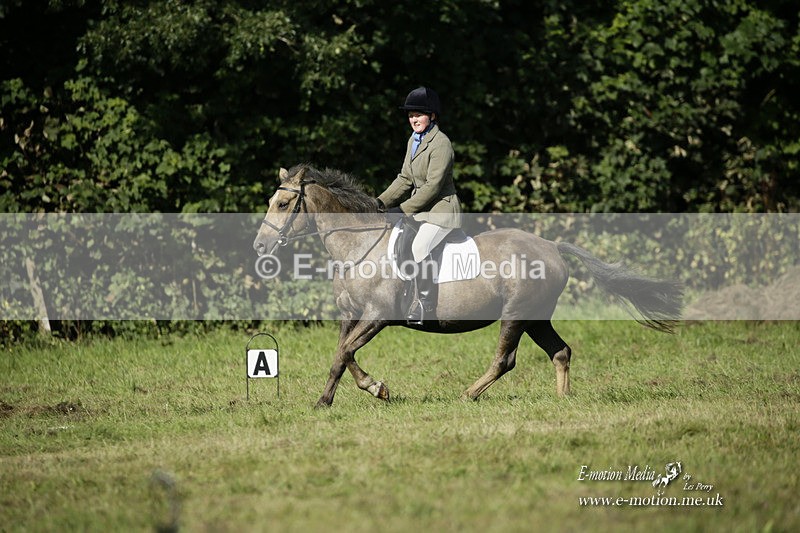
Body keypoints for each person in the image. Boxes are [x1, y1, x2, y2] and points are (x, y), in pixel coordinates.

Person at [376, 86, 463, 324]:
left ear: (432, 116)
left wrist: (402, 209)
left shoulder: (441, 144)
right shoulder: (413, 141)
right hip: (421, 211)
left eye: (419, 114)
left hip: (441, 210)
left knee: (420, 247)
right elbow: (405, 178)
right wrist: (380, 202)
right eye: (411, 115)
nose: (414, 119)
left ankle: (426, 307)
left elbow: (433, 187)